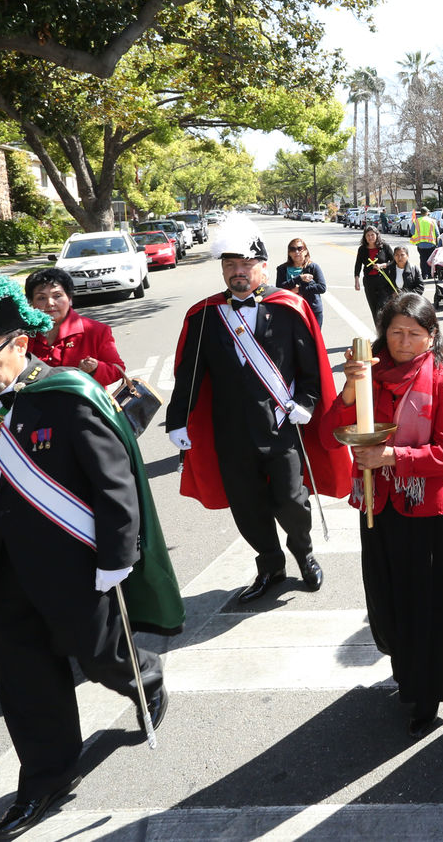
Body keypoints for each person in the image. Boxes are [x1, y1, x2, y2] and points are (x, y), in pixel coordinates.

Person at [0, 273, 182, 840]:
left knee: (101, 656)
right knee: (24, 678)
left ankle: (144, 676)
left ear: (21, 343)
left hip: (76, 564)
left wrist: (117, 554)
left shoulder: (66, 396)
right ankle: (45, 778)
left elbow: (115, 485)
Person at [166, 216, 352, 603]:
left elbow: (311, 367)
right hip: (230, 432)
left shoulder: (288, 308)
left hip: (281, 426)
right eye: (230, 266)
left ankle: (303, 554)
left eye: (245, 265)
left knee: (291, 500)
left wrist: (306, 403)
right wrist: (177, 420)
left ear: (263, 267)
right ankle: (270, 565)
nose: (238, 273)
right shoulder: (205, 316)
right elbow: (189, 374)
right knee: (247, 506)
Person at [327, 293, 443, 738]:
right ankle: (402, 666)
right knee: (387, 602)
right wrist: (350, 388)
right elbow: (333, 435)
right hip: (379, 506)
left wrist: (390, 456)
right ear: (382, 332)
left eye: (414, 333)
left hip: (428, 511)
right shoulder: (368, 375)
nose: (403, 342)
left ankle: (425, 696)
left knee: (423, 610)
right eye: (395, 332)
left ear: (431, 337)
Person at [23, 267, 126, 386]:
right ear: (31, 303)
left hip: (84, 401)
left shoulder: (96, 330)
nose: (50, 303)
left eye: (57, 296)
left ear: (70, 298)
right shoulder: (22, 334)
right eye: (41, 298)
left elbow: (118, 370)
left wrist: (95, 368)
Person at [276, 237, 328, 330]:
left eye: (300, 248)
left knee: (313, 341)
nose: (297, 252)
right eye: (293, 249)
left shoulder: (313, 267)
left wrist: (300, 290)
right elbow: (279, 288)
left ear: (306, 251)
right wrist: (299, 278)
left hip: (312, 310)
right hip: (291, 310)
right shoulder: (282, 269)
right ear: (289, 253)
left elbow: (322, 287)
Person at [354, 226, 390, 321]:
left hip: (383, 281)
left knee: (382, 307)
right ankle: (379, 332)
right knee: (374, 309)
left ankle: (385, 331)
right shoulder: (362, 249)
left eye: (372, 235)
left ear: (377, 235)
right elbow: (358, 265)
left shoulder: (384, 246)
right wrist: (356, 281)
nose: (370, 237)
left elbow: (394, 261)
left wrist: (382, 265)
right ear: (365, 237)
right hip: (369, 282)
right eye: (368, 235)